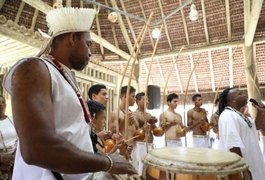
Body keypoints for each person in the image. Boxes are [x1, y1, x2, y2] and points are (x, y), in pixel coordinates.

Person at [2, 7, 136, 180]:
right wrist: (107, 162)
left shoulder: (63, 75)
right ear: (73, 38)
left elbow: (70, 133)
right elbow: (37, 149)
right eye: (88, 44)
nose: (90, 52)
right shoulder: (34, 68)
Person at [218, 88, 265, 180]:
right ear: (232, 100)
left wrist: (260, 111)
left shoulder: (240, 115)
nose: (244, 94)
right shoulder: (228, 115)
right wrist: (243, 170)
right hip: (243, 167)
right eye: (240, 94)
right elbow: (233, 144)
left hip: (253, 163)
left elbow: (256, 127)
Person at [133, 92, 157, 175]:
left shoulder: (149, 114)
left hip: (150, 143)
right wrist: (143, 128)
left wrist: (153, 123)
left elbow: (155, 130)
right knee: (141, 168)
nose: (147, 102)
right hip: (141, 144)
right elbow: (135, 133)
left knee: (150, 168)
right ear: (137, 101)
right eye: (144, 100)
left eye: (148, 100)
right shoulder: (134, 114)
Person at [0, 95, 17, 180]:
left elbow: (19, 140)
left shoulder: (13, 120)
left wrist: (15, 157)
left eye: (3, 102)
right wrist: (1, 159)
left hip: (14, 159)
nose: (1, 105)